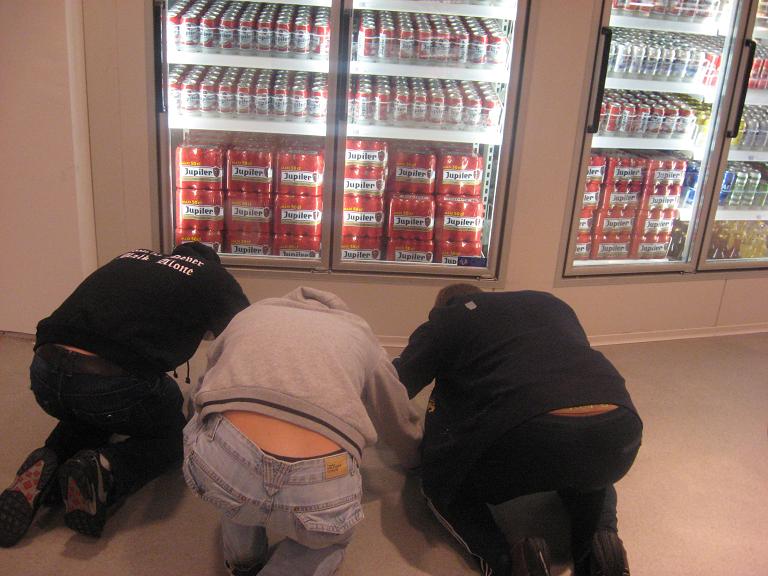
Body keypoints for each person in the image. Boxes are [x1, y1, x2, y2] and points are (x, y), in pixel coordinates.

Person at [0, 243, 249, 546]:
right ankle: (106, 469)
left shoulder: (132, 256)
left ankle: (49, 460)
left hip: (44, 371)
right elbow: (248, 336)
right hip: (107, 382)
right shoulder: (212, 276)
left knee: (91, 412)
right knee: (174, 431)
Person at [393, 284, 643, 576]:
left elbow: (395, 386)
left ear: (442, 305)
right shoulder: (551, 303)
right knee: (590, 468)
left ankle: (510, 564)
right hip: (617, 429)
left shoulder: (448, 319)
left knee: (440, 483)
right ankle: (600, 544)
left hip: (527, 437)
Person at [182, 286, 422, 576]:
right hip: (319, 482)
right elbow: (394, 411)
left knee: (230, 479)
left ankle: (243, 561)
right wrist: (414, 456)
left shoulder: (250, 315)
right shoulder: (361, 335)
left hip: (227, 458)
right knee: (331, 538)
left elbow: (204, 385)